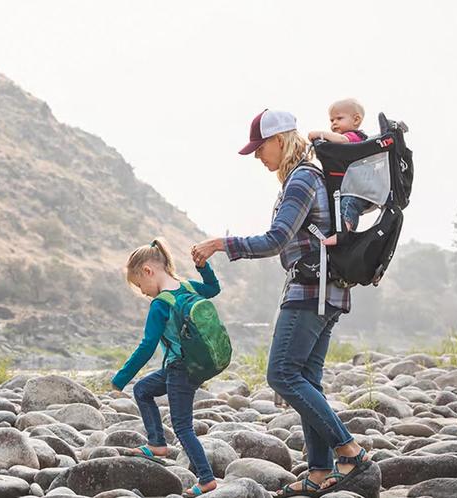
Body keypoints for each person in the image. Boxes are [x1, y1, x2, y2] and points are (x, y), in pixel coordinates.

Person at [191, 109, 371, 497]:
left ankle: (349, 451)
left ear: (281, 140)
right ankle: (321, 471)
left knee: (282, 375)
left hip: (309, 291)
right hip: (328, 291)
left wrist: (222, 244)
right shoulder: (311, 177)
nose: (258, 157)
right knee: (307, 380)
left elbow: (276, 239)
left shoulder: (302, 179)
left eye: (261, 148)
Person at [111, 238, 219, 497]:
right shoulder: (187, 286)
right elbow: (213, 288)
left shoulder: (161, 303)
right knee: (144, 390)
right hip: (191, 366)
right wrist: (203, 268)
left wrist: (120, 378)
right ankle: (157, 443)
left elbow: (147, 346)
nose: (143, 291)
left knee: (183, 427)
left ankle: (206, 478)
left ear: (148, 271)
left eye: (139, 285)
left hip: (179, 370)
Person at [308, 98, 370, 246]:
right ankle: (340, 230)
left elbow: (342, 140)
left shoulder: (354, 136)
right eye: (331, 120)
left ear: (356, 120)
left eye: (339, 118)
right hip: (347, 186)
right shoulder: (344, 139)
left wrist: (321, 134)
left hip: (357, 189)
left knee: (349, 204)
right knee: (343, 206)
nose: (334, 123)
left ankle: (344, 232)